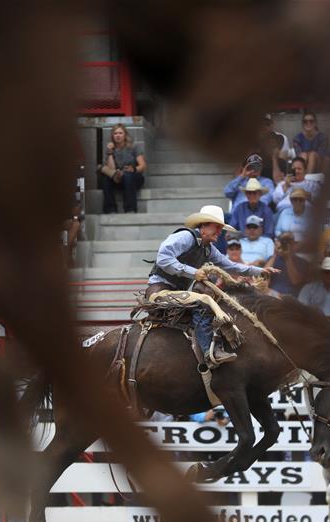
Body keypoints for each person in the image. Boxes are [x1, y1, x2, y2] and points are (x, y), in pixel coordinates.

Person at [146, 205, 276, 367]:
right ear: (204, 225)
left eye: (221, 228)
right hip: (159, 290)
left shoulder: (209, 249)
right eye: (216, 227)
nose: (219, 232)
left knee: (209, 301)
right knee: (204, 300)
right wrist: (193, 273)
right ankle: (210, 352)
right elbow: (163, 258)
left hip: (176, 292)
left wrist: (260, 270)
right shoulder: (185, 237)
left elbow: (231, 266)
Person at [101, 123, 146, 214]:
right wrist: (110, 152)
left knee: (128, 176)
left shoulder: (133, 147)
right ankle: (111, 209)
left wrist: (133, 169)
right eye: (115, 133)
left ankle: (130, 209)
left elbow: (143, 166)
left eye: (120, 133)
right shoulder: (110, 149)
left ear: (125, 134)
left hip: (134, 177)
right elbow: (111, 169)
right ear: (112, 136)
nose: (118, 135)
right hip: (118, 179)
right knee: (105, 179)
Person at [266, 232, 308, 297]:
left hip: (290, 297)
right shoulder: (273, 259)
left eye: (288, 242)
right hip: (272, 294)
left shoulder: (302, 262)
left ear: (294, 244)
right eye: (283, 242)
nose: (285, 245)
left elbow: (295, 281)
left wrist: (288, 258)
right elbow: (263, 277)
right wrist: (274, 255)